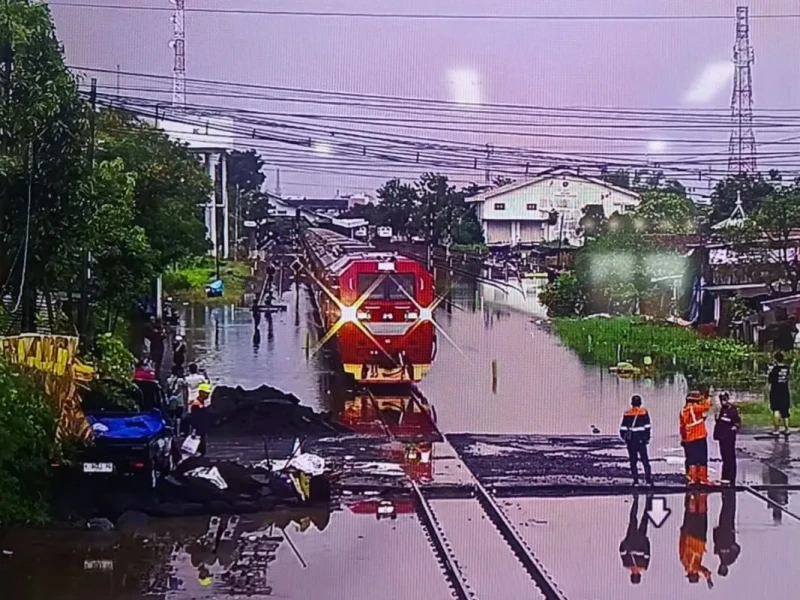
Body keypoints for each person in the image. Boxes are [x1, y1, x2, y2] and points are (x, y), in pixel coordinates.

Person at [680, 492, 713, 589]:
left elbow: (701, 570)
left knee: (700, 514)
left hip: (698, 540)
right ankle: (695, 494)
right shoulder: (684, 562)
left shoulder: (690, 567)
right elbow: (681, 546)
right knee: (694, 514)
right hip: (691, 537)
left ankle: (700, 494)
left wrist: (707, 577)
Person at [680, 390, 713, 486]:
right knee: (702, 458)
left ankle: (693, 478)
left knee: (692, 458)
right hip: (700, 435)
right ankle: (703, 478)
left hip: (689, 437)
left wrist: (683, 438)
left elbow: (682, 426)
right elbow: (707, 406)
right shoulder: (695, 408)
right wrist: (707, 398)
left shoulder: (683, 411)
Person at [619, 395, 653, 486]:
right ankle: (648, 480)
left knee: (633, 461)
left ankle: (635, 481)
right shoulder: (644, 412)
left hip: (631, 441)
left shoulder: (627, 413)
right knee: (645, 460)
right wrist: (647, 438)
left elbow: (623, 428)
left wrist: (625, 438)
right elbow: (647, 427)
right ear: (640, 403)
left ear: (632, 403)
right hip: (641, 440)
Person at [619, 494, 651, 585]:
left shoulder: (644, 566)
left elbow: (648, 552)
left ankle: (648, 499)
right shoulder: (626, 564)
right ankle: (636, 500)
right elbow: (622, 550)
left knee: (644, 519)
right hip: (632, 538)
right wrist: (625, 541)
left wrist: (646, 541)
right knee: (634, 518)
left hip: (640, 539)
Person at [713, 392, 741, 485]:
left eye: (724, 399)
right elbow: (719, 422)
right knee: (724, 456)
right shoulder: (722, 409)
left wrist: (734, 428)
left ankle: (730, 476)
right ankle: (724, 476)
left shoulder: (732, 409)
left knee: (729, 456)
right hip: (722, 436)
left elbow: (737, 421)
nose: (723, 401)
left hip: (729, 436)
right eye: (721, 399)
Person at [713, 489, 741, 578]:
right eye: (723, 569)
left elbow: (716, 542)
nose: (722, 567)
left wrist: (715, 532)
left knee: (724, 509)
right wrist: (731, 545)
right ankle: (730, 493)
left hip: (722, 529)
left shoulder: (720, 556)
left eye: (720, 568)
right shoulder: (731, 559)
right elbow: (737, 548)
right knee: (729, 510)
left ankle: (725, 492)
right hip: (728, 530)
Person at [768, 352, 791, 437]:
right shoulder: (787, 368)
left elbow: (770, 380)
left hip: (776, 391)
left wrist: (770, 370)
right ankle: (787, 429)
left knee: (776, 410)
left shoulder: (774, 369)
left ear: (776, 359)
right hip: (785, 391)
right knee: (785, 410)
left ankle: (776, 430)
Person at [190, 382, 212, 456]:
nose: (207, 395)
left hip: (202, 430)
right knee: (199, 449)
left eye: (208, 393)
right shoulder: (196, 405)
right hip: (198, 430)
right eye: (206, 393)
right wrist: (194, 431)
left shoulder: (201, 403)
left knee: (202, 449)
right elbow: (195, 418)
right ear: (200, 392)